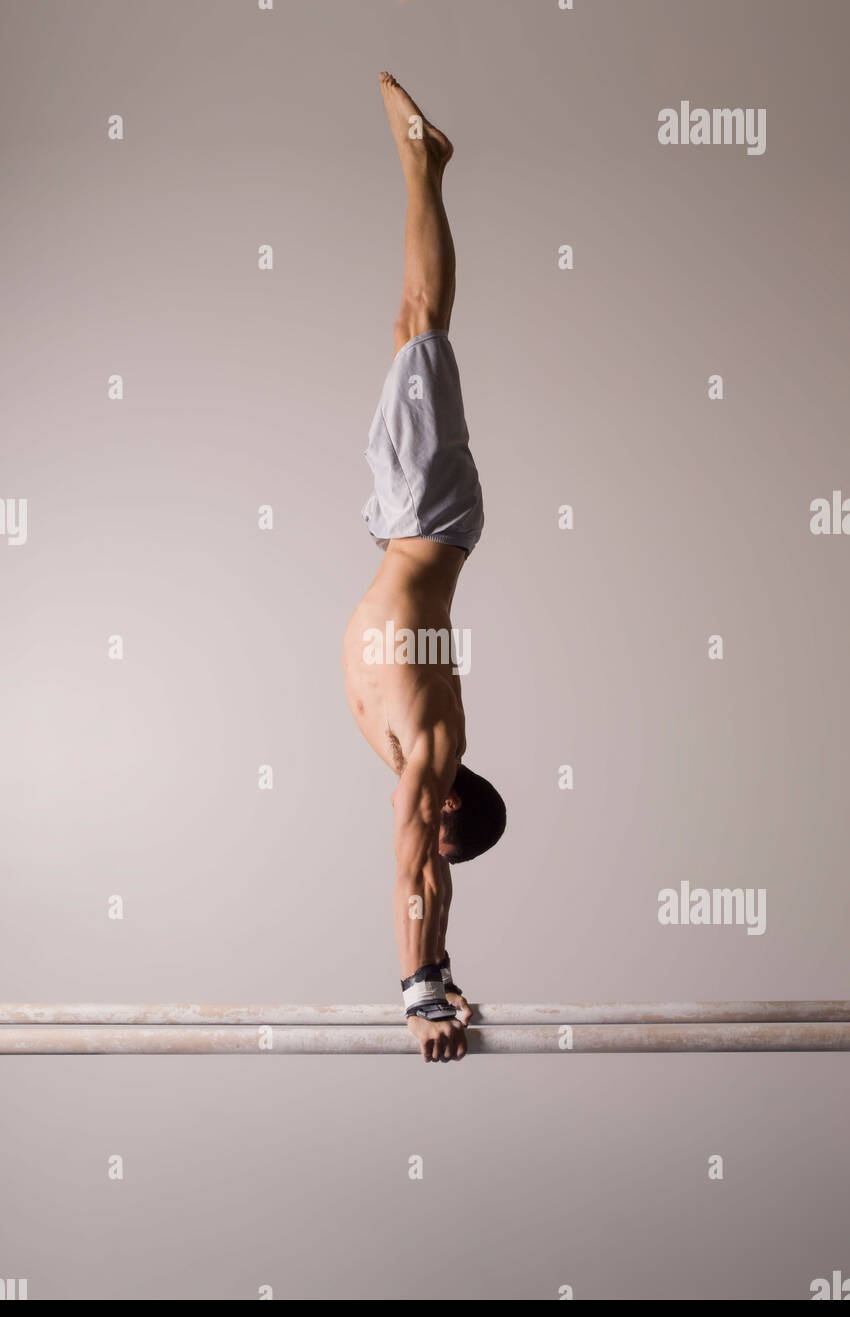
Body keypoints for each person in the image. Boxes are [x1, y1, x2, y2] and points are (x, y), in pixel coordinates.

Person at [342, 75, 506, 1063]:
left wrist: (442, 973)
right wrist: (417, 993)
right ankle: (425, 162)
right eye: (441, 835)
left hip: (411, 528)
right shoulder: (432, 745)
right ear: (452, 801)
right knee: (418, 323)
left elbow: (428, 879)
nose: (428, 853)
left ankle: (427, 169)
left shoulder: (415, 752)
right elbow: (419, 872)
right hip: (424, 520)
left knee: (412, 332)